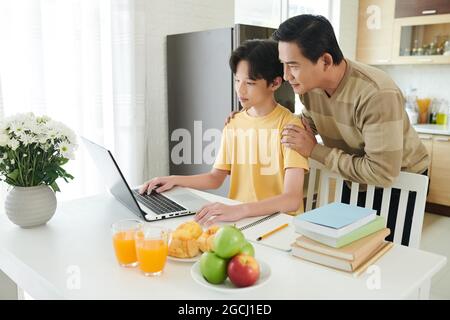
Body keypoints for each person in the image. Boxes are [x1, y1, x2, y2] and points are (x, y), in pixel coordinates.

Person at [271, 14, 429, 245]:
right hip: (355, 174)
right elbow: (307, 123)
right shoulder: (309, 87)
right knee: (349, 246)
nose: (286, 76)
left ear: (325, 61)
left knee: (387, 256)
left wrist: (315, 151)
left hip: (400, 179)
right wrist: (255, 115)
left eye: (293, 65)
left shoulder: (376, 94)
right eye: (283, 65)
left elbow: (382, 172)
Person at [140, 39, 309, 226]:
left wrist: (240, 209)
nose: (240, 90)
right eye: (237, 80)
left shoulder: (290, 127)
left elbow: (292, 199)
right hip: (240, 220)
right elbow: (215, 178)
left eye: (250, 83)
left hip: (278, 223)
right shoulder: (234, 123)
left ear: (275, 83)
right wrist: (172, 180)